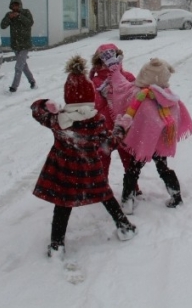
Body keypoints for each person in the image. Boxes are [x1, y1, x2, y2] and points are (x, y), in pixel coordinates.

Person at [30, 54, 137, 259]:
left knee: (63, 205)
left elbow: (36, 112)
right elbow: (109, 145)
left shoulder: (58, 119)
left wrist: (44, 104)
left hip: (65, 173)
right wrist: (121, 129)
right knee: (106, 197)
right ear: (90, 95)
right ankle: (125, 227)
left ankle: (57, 246)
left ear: (67, 96)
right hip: (91, 170)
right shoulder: (96, 120)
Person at [105, 55, 192, 213]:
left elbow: (121, 87)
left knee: (133, 170)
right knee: (163, 168)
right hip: (161, 142)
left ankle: (127, 202)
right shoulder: (170, 98)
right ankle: (176, 196)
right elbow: (175, 118)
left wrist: (115, 69)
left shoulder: (138, 95)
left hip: (143, 142)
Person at [89, 44, 140, 191]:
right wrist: (103, 96)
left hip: (124, 127)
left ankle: (132, 187)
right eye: (105, 58)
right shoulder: (96, 82)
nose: (109, 62)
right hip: (104, 129)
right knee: (102, 159)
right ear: (99, 61)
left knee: (129, 160)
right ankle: (101, 188)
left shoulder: (127, 77)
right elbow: (94, 106)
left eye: (113, 57)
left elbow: (136, 100)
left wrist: (119, 92)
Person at [0, 0, 36, 93]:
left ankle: (14, 87)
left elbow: (30, 23)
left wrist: (19, 16)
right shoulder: (9, 15)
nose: (15, 7)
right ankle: (32, 81)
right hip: (15, 45)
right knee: (23, 65)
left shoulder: (26, 12)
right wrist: (8, 18)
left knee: (18, 66)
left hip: (25, 44)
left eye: (17, 5)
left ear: (20, 5)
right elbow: (2, 26)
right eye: (13, 5)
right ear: (11, 6)